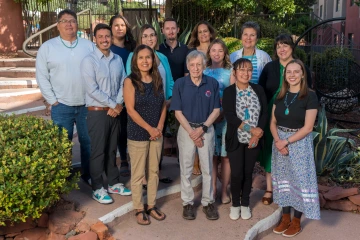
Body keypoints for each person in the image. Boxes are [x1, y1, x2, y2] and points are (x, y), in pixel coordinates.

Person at [36, 9, 94, 185]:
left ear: (77, 24)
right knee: (62, 144)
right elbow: (41, 76)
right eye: (64, 21)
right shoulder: (47, 47)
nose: (69, 24)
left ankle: (89, 175)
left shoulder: (88, 45)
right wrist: (52, 100)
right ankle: (62, 178)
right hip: (61, 106)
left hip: (86, 104)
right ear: (57, 25)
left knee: (88, 143)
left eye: (72, 20)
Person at [258, 33, 313, 205]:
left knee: (290, 152)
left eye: (285, 45)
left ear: (292, 48)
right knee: (271, 149)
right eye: (278, 46)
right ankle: (269, 188)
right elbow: (261, 91)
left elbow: (308, 93)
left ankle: (289, 190)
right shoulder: (269, 68)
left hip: (295, 117)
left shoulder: (300, 68)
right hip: (272, 114)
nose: (282, 49)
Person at [81, 23, 131, 204]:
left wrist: (117, 104)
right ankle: (97, 187)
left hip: (114, 111)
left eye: (107, 36)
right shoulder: (89, 61)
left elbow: (124, 82)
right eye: (100, 36)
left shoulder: (117, 59)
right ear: (95, 39)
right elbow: (92, 89)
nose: (104, 39)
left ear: (111, 38)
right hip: (97, 112)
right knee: (98, 152)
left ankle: (113, 182)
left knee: (112, 150)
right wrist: (113, 104)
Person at [270, 59, 320, 237]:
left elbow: (308, 127)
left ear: (302, 74)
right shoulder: (280, 95)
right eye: (288, 72)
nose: (292, 75)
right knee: (283, 179)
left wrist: (286, 142)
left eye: (296, 71)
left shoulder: (310, 96)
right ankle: (285, 218)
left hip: (298, 142)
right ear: (285, 75)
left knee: (298, 180)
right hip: (279, 142)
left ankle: (296, 221)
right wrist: (278, 141)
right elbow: (272, 122)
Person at [170, 50, 221, 221]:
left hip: (206, 129)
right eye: (192, 65)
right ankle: (187, 203)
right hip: (186, 130)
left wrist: (203, 128)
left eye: (199, 64)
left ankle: (208, 202)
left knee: (207, 168)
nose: (195, 68)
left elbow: (216, 110)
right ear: (187, 66)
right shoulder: (180, 84)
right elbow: (177, 112)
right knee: (186, 168)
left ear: (204, 65)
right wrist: (192, 132)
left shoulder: (212, 83)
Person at [123, 44, 167, 225]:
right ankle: (139, 208)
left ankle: (151, 205)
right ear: (135, 60)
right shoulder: (130, 81)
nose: (144, 61)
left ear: (153, 59)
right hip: (138, 133)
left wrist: (159, 127)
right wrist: (150, 129)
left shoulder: (157, 79)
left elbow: (163, 104)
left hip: (156, 133)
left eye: (148, 57)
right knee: (138, 173)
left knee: (154, 172)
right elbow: (130, 110)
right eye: (140, 57)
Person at [126, 24, 174, 187]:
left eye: (152, 35)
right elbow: (130, 80)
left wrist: (169, 98)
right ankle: (143, 178)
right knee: (142, 144)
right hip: (141, 109)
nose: (149, 38)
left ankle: (155, 174)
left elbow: (170, 80)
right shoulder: (133, 55)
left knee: (157, 142)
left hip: (161, 108)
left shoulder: (163, 57)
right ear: (140, 39)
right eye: (145, 36)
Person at [222, 58, 267, 220]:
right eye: (241, 69)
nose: (245, 73)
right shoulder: (229, 92)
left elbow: (264, 113)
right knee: (236, 174)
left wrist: (257, 133)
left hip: (254, 140)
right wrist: (251, 129)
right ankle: (235, 205)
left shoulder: (258, 89)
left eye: (249, 70)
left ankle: (245, 204)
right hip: (236, 139)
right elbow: (230, 117)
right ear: (234, 72)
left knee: (248, 173)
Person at [204, 39, 235, 204]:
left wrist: (223, 112)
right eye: (213, 50)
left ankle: (224, 191)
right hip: (209, 119)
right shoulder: (204, 71)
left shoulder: (230, 72)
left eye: (220, 51)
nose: (216, 53)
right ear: (209, 52)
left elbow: (232, 95)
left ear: (225, 53)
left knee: (225, 156)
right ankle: (213, 189)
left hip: (224, 119)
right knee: (212, 156)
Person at [187, 21, 217, 175]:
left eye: (206, 31)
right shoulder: (193, 52)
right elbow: (187, 74)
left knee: (211, 134)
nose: (203, 34)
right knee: (197, 127)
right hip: (197, 94)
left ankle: (210, 165)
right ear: (196, 35)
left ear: (210, 33)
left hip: (214, 95)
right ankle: (195, 162)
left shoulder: (216, 50)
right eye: (200, 32)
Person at [109, 14, 137, 177]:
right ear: (111, 28)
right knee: (119, 129)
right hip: (115, 94)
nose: (119, 28)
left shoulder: (132, 47)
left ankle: (134, 158)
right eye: (116, 25)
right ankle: (123, 161)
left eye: (122, 25)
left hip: (133, 91)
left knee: (131, 126)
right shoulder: (107, 47)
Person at [159, 17, 189, 81]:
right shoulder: (158, 50)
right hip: (163, 88)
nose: (170, 31)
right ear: (163, 30)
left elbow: (187, 73)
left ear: (178, 30)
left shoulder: (185, 49)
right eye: (167, 29)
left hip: (180, 89)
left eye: (173, 28)